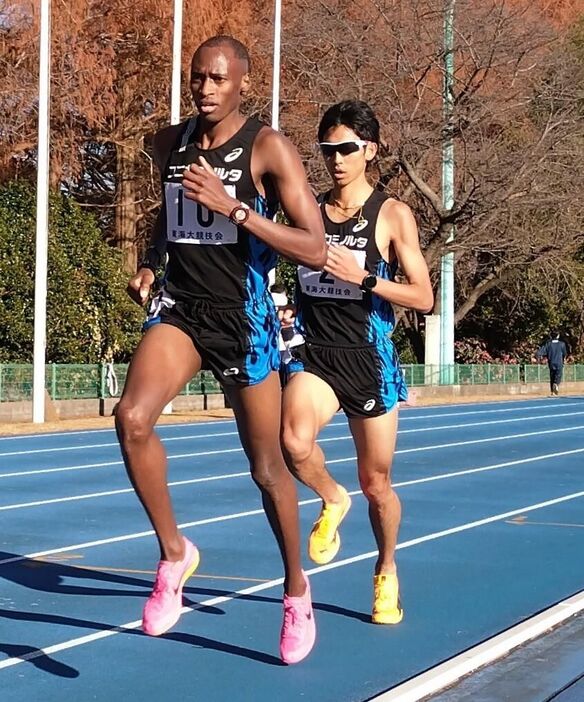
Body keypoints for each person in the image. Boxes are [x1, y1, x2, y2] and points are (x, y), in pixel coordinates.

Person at [115, 35, 326, 664]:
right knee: (131, 419)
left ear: (241, 84)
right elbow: (169, 217)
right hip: (183, 307)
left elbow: (314, 247)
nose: (205, 89)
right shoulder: (175, 142)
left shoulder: (267, 147)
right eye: (196, 78)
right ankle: (175, 553)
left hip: (243, 318)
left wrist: (235, 209)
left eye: (216, 79)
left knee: (266, 470)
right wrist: (153, 264)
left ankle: (295, 589)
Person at [280, 100, 433, 625]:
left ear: (369, 150)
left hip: (369, 359)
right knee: (294, 443)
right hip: (316, 353)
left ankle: (386, 568)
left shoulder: (391, 214)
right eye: (328, 149)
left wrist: (364, 278)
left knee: (378, 484)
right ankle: (330, 497)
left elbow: (424, 296)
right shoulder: (309, 211)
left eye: (347, 148)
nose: (336, 159)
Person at [536, 331, 568, 395]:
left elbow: (540, 352)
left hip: (551, 362)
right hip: (559, 362)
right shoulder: (562, 344)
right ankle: (556, 384)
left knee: (552, 376)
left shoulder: (548, 344)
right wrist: (564, 358)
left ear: (551, 336)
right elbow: (565, 353)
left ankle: (552, 391)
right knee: (558, 375)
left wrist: (538, 357)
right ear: (558, 336)